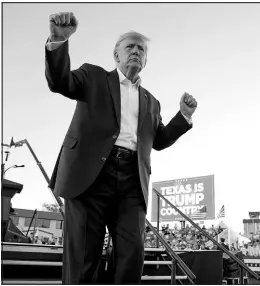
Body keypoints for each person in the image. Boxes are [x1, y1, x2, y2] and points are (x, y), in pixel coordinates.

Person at [45, 12, 197, 284]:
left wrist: (183, 116)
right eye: (130, 47)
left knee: (132, 255)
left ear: (146, 60)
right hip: (89, 177)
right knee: (82, 259)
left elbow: (159, 141)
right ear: (116, 56)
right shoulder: (93, 76)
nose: (136, 51)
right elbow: (60, 82)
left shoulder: (152, 102)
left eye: (141, 49)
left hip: (131, 182)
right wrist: (58, 40)